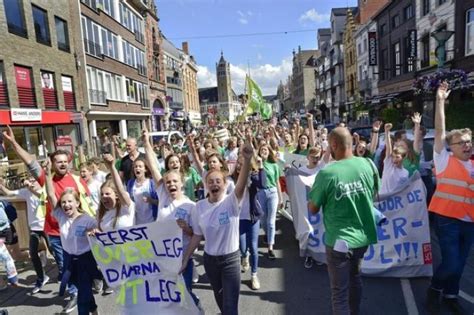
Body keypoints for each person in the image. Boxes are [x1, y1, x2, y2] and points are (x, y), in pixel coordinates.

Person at [1, 126, 95, 313]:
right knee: (64, 266)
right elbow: (30, 162)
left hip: (78, 231)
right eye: (58, 162)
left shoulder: (77, 180)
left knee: (80, 263)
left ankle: (87, 287)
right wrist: (13, 143)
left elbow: (87, 204)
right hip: (54, 231)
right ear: (52, 164)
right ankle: (75, 292)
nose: (62, 164)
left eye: (64, 161)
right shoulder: (47, 179)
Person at [179, 134, 254, 315]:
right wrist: (186, 258)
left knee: (230, 307)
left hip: (230, 261)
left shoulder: (232, 201)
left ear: (225, 183)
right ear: (205, 184)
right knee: (221, 303)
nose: (214, 184)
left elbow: (242, 183)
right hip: (210, 261)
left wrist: (247, 159)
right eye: (210, 181)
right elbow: (197, 235)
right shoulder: (199, 207)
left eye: (218, 181)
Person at [308, 127, 379, 315]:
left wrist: (312, 195)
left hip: (338, 241)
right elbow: (374, 194)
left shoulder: (327, 174)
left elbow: (313, 209)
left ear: (333, 146)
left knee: (339, 292)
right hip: (362, 238)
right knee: (355, 278)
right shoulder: (369, 165)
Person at [426, 82, 474, 314]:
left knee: (460, 263)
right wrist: (440, 101)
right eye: (462, 142)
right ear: (451, 147)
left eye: (469, 141)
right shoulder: (444, 160)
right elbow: (439, 131)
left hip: (469, 222)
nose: (467, 145)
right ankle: (435, 288)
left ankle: (450, 295)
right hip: (447, 220)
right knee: (452, 262)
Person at [44, 161, 100, 315]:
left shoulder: (86, 219)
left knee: (82, 294)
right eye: (63, 202)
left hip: (85, 260)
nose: (66, 205)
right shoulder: (61, 216)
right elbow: (50, 194)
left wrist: (95, 232)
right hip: (70, 259)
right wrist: (48, 174)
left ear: (77, 203)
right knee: (83, 289)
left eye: (70, 201)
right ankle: (94, 310)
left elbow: (99, 230)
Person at [0, 178, 49, 294]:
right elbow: (9, 193)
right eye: (30, 180)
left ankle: (69, 280)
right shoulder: (26, 191)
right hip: (34, 228)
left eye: (34, 180)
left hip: (44, 227)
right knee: (24, 254)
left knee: (17, 255)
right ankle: (40, 278)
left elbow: (43, 197)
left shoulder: (43, 191)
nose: (31, 182)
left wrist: (30, 188)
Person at [234, 154, 265, 290]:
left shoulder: (253, 177)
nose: (242, 167)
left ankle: (254, 275)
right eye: (240, 165)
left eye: (245, 165)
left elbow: (262, 184)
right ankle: (244, 256)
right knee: (242, 247)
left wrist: (261, 166)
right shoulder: (232, 180)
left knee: (253, 248)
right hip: (238, 219)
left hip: (252, 218)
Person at [257, 143, 283, 260]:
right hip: (260, 193)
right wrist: (260, 163)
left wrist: (281, 198)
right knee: (263, 220)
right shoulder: (256, 165)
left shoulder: (274, 165)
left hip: (272, 192)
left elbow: (277, 182)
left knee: (271, 221)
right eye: (262, 149)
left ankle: (270, 247)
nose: (264, 151)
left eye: (266, 149)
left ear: (269, 152)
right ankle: (268, 235)